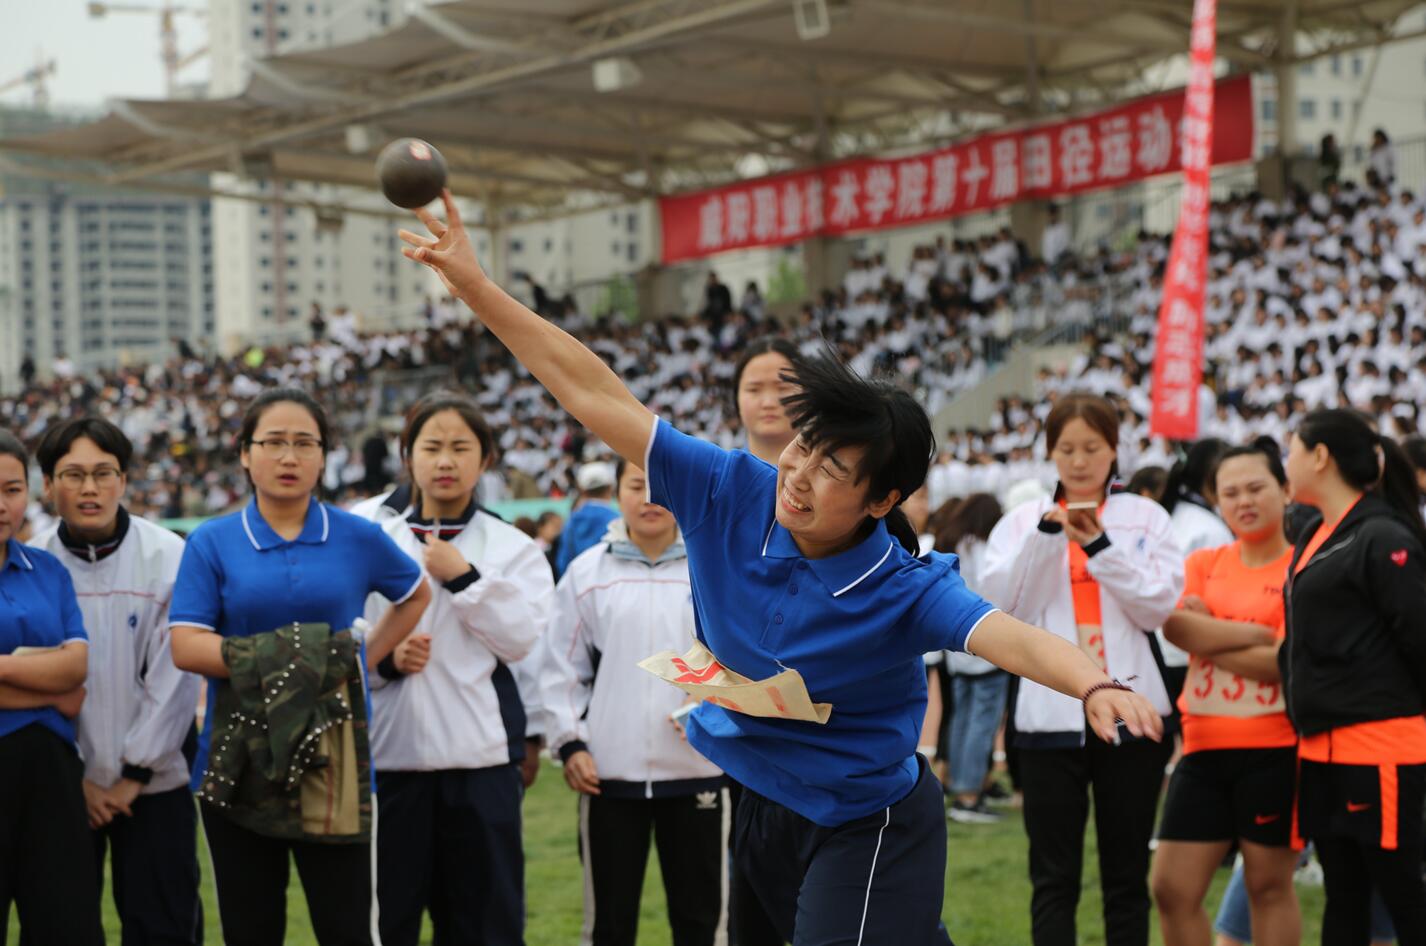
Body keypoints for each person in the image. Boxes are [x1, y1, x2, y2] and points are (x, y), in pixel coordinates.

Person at [398, 191, 1161, 945]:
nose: (798, 473)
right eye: (803, 446)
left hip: (868, 819)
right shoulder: (731, 488)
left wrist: (1094, 682)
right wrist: (473, 284)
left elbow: (1009, 638)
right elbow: (594, 391)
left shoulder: (904, 586)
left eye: (833, 467)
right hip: (760, 798)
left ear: (881, 498)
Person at [168, 389, 432, 946]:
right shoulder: (212, 542)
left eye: (304, 444)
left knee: (349, 929)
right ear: (244, 453)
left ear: (324, 455)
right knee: (250, 929)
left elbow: (415, 594)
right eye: (274, 443)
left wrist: (363, 657)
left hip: (336, 761)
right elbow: (186, 646)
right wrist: (298, 658)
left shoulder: (358, 536)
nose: (289, 458)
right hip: (238, 759)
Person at [980, 393, 1181, 946]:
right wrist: (1048, 539)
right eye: (1066, 448)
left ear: (1115, 449)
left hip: (1135, 712)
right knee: (1052, 877)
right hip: (1049, 718)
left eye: (1092, 447)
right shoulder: (1023, 520)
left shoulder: (1147, 517)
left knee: (1126, 875)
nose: (1079, 460)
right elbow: (1007, 607)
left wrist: (1099, 545)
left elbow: (1158, 607)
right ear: (1050, 452)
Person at [360, 391, 555, 946]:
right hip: (386, 760)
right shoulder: (367, 529)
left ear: (485, 459)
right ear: (407, 454)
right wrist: (388, 661)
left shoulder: (511, 546)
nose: (445, 461)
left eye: (461, 448)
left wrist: (465, 577)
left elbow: (523, 639)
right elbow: (343, 632)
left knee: (484, 925)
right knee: (386, 920)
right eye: (432, 446)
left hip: (480, 763)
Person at [30, 417, 203, 945]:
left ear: (124, 480)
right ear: (49, 485)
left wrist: (134, 774)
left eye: (103, 473)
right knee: (60, 930)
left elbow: (175, 681)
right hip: (60, 791)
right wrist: (76, 779)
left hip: (155, 787)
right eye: (73, 474)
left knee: (163, 927)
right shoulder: (31, 564)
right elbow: (34, 684)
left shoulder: (168, 556)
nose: (89, 489)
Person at [542, 458, 728, 946]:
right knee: (608, 924)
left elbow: (743, 658)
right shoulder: (587, 573)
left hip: (698, 771)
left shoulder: (714, 568)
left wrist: (715, 702)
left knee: (702, 923)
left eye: (663, 485)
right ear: (617, 493)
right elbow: (561, 669)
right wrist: (571, 744)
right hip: (610, 776)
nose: (650, 497)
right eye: (637, 484)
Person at [1282, 409, 1426, 945]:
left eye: (1290, 448)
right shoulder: (1316, 533)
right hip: (1321, 749)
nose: (1286, 462)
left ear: (1320, 457)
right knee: (1343, 897)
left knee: (1402, 897)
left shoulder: (1382, 535)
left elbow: (1419, 638)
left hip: (1381, 745)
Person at [1151, 439, 1300, 946]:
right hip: (1201, 749)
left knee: (1267, 886)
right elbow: (1176, 629)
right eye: (1230, 492)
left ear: (1285, 489)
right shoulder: (1205, 561)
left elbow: (1287, 664)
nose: (1243, 501)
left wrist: (1212, 633)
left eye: (1257, 488)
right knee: (1170, 888)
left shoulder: (1302, 567)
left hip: (1276, 750)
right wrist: (1259, 635)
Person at [0, 429, 104, 946]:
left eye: (12, 489)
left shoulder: (46, 570)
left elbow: (75, 670)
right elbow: (59, 683)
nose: (2, 505)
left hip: (52, 776)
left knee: (66, 926)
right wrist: (45, 685)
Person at [935, 493, 1011, 824]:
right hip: (986, 648)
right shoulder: (983, 549)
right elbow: (997, 597)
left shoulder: (953, 543)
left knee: (962, 719)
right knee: (981, 723)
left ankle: (961, 786)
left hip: (958, 649)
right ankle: (968, 797)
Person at [731, 338, 801, 466]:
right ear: (737, 397)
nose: (768, 403)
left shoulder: (837, 477)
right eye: (754, 390)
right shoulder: (718, 481)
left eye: (783, 388)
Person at [553, 462, 619, 578]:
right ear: (610, 487)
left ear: (582, 490)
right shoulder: (617, 521)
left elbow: (563, 563)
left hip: (579, 587)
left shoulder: (571, 521)